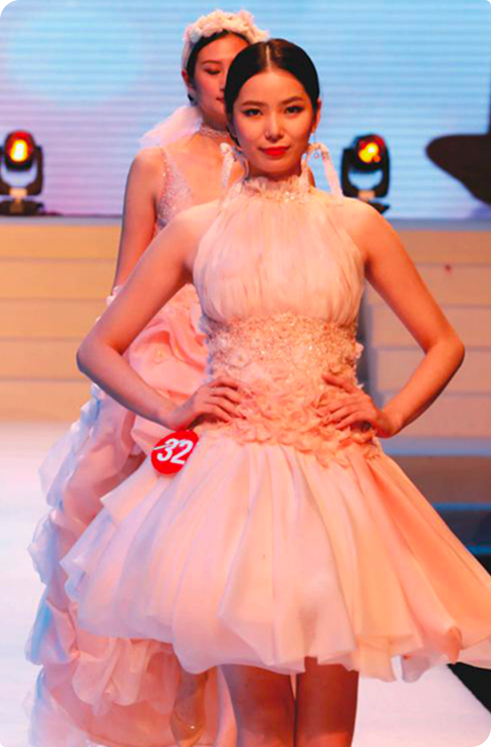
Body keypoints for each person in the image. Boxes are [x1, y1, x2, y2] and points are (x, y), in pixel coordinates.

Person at [60, 38, 491, 747]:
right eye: (253, 111)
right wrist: (173, 408)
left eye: (290, 109)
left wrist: (389, 414)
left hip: (336, 480)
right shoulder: (197, 230)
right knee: (260, 727)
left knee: (328, 732)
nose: (273, 128)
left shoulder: (355, 223)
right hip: (232, 484)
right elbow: (97, 347)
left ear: (315, 113)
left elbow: (443, 342)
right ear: (229, 117)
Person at [25, 11, 268, 747]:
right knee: (141, 539)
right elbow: (127, 280)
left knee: (239, 547)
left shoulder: (278, 161)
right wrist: (133, 378)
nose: (223, 83)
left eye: (237, 68)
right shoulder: (156, 163)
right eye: (211, 70)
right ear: (188, 80)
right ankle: (158, 708)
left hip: (249, 354)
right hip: (166, 352)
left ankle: (224, 705)